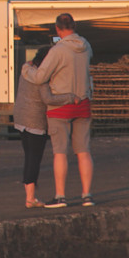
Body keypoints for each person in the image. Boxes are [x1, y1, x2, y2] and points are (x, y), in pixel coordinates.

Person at [21, 12, 94, 208]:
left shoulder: (58, 50)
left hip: (60, 106)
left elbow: (40, 78)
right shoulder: (86, 46)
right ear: (74, 27)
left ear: (57, 29)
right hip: (83, 103)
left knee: (60, 152)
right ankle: (87, 195)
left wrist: (26, 69)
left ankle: (60, 196)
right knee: (83, 151)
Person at [14, 45, 77, 208]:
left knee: (28, 157)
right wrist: (70, 97)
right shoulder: (41, 76)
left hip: (21, 118)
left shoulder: (26, 68)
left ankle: (30, 195)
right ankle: (30, 198)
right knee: (34, 159)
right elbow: (48, 99)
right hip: (35, 121)